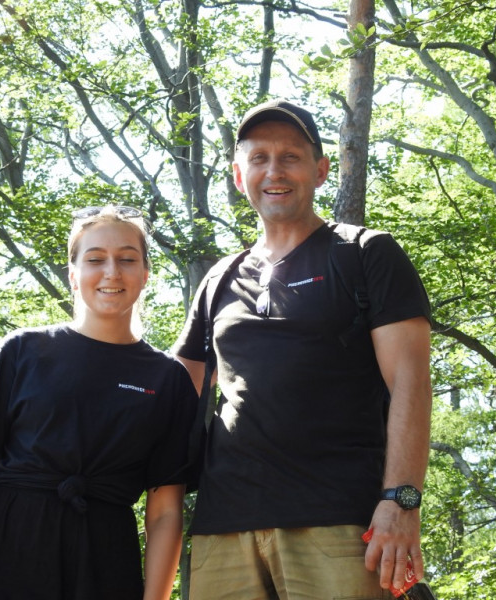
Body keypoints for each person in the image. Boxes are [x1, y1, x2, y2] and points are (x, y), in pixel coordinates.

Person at [172, 99, 432, 600]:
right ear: (239, 175)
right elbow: (175, 396)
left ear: (320, 170)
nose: (274, 171)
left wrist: (401, 502)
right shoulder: (219, 279)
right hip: (222, 529)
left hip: (339, 523)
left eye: (290, 157)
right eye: (259, 158)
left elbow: (412, 383)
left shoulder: (365, 254)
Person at [0, 205, 201, 600]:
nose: (112, 272)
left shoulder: (168, 379)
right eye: (95, 259)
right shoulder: (19, 352)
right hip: (6, 554)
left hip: (106, 564)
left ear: (146, 274)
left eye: (127, 259)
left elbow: (165, 513)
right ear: (73, 275)